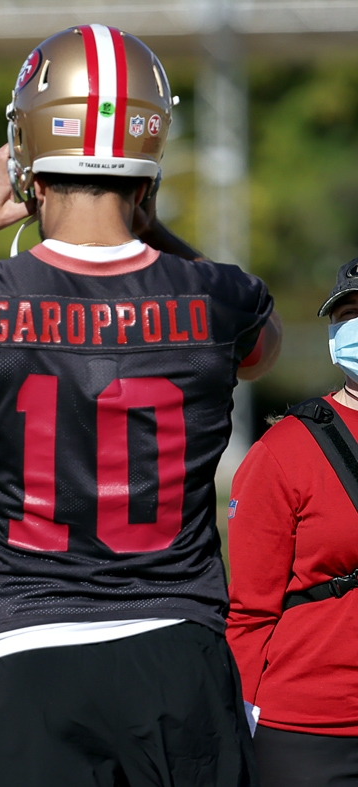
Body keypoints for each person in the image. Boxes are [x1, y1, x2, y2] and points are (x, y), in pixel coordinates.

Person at [0, 26, 283, 787]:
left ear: (26, 162)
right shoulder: (217, 296)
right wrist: (151, 224)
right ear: (149, 167)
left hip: (24, 651)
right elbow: (263, 345)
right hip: (176, 649)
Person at [227, 261, 358, 787]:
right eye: (347, 314)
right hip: (311, 732)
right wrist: (239, 721)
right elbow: (249, 612)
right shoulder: (285, 452)